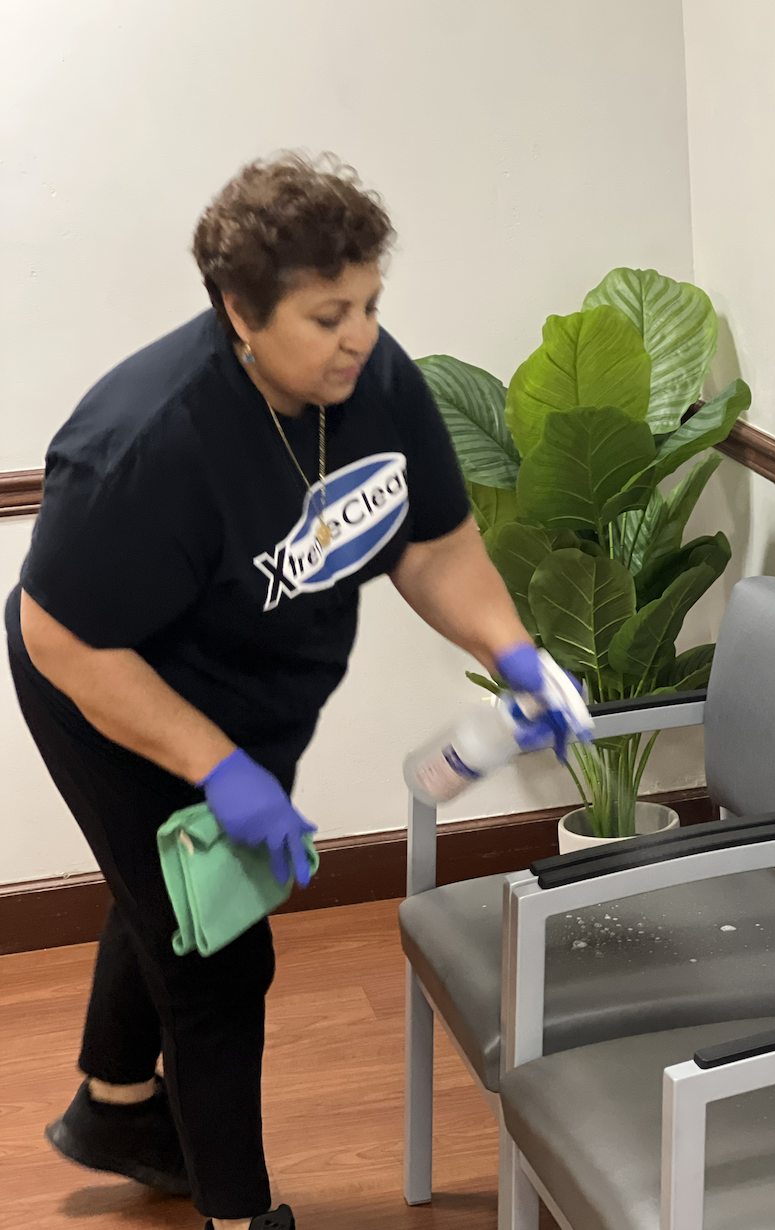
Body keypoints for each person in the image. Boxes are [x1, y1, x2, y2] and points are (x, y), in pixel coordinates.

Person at [4, 152, 583, 1230]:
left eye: (369, 303)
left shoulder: (374, 380)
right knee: (221, 953)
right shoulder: (144, 443)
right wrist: (218, 769)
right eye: (328, 315)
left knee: (170, 893)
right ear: (240, 310)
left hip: (252, 685)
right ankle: (242, 1215)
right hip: (113, 689)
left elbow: (433, 544)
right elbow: (62, 641)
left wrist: (518, 654)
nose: (359, 334)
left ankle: (116, 1105)